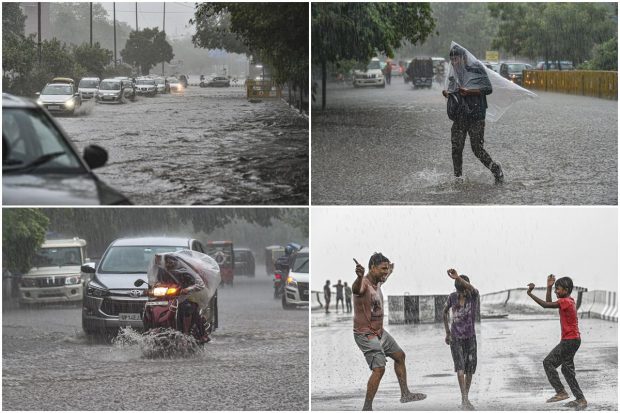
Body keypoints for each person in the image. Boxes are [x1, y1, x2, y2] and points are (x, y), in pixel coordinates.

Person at [353, 252, 426, 411]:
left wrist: (390, 270)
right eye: (383, 269)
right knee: (379, 369)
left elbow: (385, 276)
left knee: (400, 356)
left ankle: (405, 394)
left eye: (387, 269)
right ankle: (367, 408)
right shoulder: (364, 284)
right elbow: (356, 289)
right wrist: (359, 277)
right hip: (366, 334)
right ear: (372, 268)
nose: (385, 272)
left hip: (379, 332)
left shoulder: (377, 282)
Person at [442, 44, 504, 183]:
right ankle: (458, 178)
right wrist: (448, 93)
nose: (454, 62)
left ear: (464, 58)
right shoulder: (454, 73)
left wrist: (469, 91)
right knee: (456, 148)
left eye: (456, 59)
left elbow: (488, 89)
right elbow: (453, 89)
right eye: (451, 60)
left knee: (477, 148)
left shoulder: (476, 69)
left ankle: (495, 169)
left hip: (476, 115)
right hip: (460, 115)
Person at [526, 275, 586, 409]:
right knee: (566, 370)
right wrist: (548, 288)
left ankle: (561, 392)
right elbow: (549, 302)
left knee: (548, 362)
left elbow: (545, 305)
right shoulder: (568, 300)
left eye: (557, 289)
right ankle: (580, 399)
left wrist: (530, 294)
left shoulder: (566, 301)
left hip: (570, 341)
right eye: (555, 289)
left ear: (566, 289)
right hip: (573, 340)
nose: (555, 291)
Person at [442, 269, 479, 410]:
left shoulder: (473, 296)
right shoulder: (452, 297)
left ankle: (466, 397)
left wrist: (457, 277)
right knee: (460, 367)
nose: (462, 293)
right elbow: (444, 312)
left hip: (470, 337)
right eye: (460, 291)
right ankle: (464, 399)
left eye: (464, 290)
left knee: (470, 369)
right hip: (456, 338)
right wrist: (447, 332)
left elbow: (472, 288)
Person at [160, 254, 209, 343]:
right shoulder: (162, 272)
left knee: (187, 308)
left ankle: (190, 333)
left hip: (187, 298)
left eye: (171, 262)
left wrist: (187, 289)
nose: (169, 264)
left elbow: (199, 285)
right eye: (167, 262)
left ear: (176, 262)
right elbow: (157, 283)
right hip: (167, 299)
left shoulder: (185, 272)